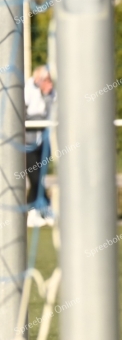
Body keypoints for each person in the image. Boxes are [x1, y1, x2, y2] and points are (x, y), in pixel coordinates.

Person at [24, 65, 56, 227]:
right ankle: (39, 210)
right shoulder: (26, 89)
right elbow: (22, 114)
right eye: (46, 79)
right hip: (28, 143)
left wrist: (47, 95)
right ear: (38, 79)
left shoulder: (50, 92)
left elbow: (52, 115)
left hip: (44, 143)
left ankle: (37, 211)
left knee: (39, 178)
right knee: (34, 178)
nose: (48, 82)